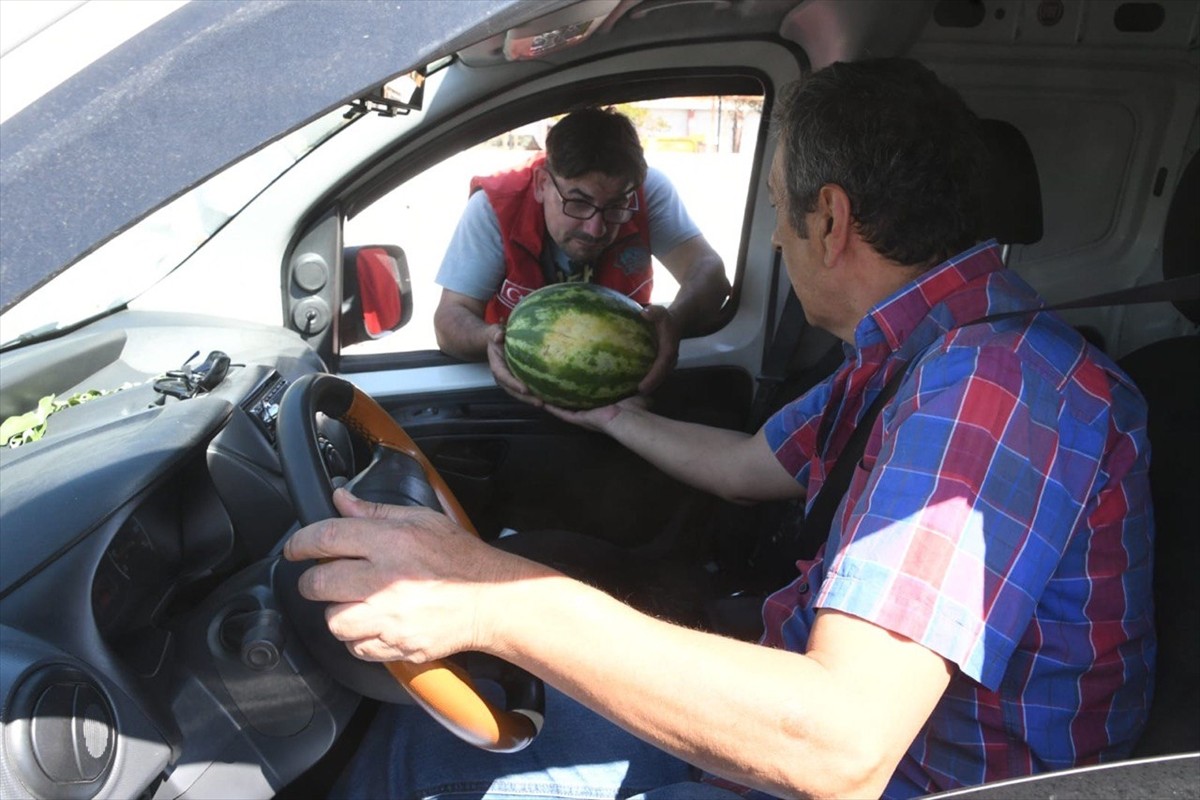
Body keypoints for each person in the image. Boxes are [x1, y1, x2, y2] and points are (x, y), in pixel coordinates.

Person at [285, 58, 1155, 799]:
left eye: (778, 208)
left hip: (928, 777)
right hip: (850, 725)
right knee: (432, 742)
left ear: (832, 220)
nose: (774, 240)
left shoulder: (991, 387)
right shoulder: (916, 349)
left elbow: (840, 744)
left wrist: (488, 593)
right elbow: (747, 464)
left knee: (433, 771)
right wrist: (611, 414)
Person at [432, 106, 730, 397]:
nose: (595, 229)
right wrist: (493, 338)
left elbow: (709, 271)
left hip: (626, 397)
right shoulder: (495, 207)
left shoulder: (645, 192)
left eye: (614, 207)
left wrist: (674, 322)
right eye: (578, 203)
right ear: (542, 183)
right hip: (521, 394)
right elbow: (449, 319)